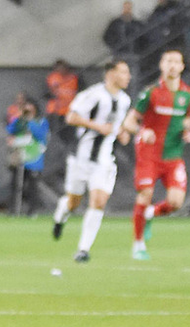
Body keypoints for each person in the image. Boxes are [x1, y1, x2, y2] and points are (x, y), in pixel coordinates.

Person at [52, 60, 133, 263]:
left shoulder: (124, 100)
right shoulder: (93, 95)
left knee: (98, 202)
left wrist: (122, 132)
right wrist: (97, 126)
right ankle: (61, 214)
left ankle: (83, 250)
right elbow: (71, 117)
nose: (128, 76)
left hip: (104, 160)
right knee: (73, 202)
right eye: (124, 72)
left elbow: (116, 125)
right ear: (110, 74)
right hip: (81, 158)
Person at [122, 49, 190, 260]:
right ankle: (138, 244)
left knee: (176, 203)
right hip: (149, 155)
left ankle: (149, 214)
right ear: (161, 65)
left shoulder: (188, 96)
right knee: (145, 193)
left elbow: (188, 121)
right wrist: (142, 131)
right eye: (168, 61)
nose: (172, 65)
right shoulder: (151, 93)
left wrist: (187, 132)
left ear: (182, 66)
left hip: (173, 156)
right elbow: (129, 122)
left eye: (176, 62)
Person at [6, 98, 49, 216]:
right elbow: (10, 130)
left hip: (34, 157)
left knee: (32, 186)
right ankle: (13, 209)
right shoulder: (20, 121)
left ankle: (32, 210)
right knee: (16, 184)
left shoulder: (41, 121)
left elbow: (41, 135)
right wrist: (19, 119)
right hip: (20, 156)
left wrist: (30, 122)